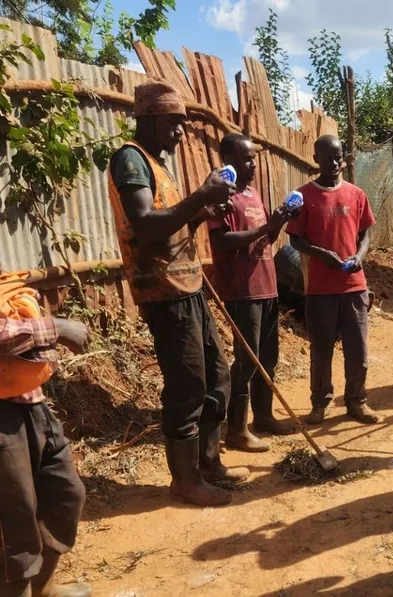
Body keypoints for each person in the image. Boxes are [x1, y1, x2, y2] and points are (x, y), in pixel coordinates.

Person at [107, 80, 247, 508]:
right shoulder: (130, 159)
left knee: (216, 376)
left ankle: (208, 463)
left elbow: (171, 224)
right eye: (174, 122)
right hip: (163, 291)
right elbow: (146, 225)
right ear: (149, 118)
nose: (181, 132)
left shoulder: (159, 163)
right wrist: (199, 197)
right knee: (187, 385)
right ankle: (184, 479)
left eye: (184, 123)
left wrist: (201, 212)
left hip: (188, 286)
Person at [208, 134, 299, 453]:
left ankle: (264, 417)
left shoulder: (254, 194)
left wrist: (278, 222)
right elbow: (223, 242)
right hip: (241, 290)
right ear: (228, 159)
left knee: (268, 357)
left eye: (254, 159)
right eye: (247, 159)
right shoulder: (223, 199)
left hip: (267, 286)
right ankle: (237, 430)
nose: (253, 164)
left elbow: (266, 240)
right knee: (246, 360)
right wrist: (264, 229)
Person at [286, 135, 381, 425]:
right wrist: (323, 255)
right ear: (316, 159)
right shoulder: (304, 196)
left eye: (339, 156)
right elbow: (295, 239)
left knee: (358, 350)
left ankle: (357, 400)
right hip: (319, 289)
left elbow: (365, 233)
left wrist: (360, 255)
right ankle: (320, 402)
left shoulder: (356, 194)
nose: (335, 162)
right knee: (321, 349)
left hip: (354, 286)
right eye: (328, 158)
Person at [0, 308, 92, 597]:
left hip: (30, 402)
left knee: (66, 495)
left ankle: (42, 587)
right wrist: (56, 328)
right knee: (14, 520)